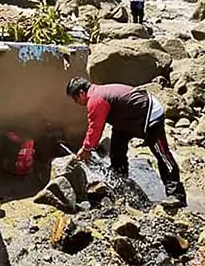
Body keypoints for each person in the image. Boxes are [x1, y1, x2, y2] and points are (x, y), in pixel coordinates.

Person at [65, 77, 187, 208]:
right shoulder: (98, 92)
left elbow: (95, 128)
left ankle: (177, 195)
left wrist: (86, 149)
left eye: (75, 99)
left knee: (162, 154)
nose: (76, 102)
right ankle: (120, 181)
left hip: (149, 114)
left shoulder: (95, 99)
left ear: (82, 93)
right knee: (117, 149)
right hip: (127, 119)